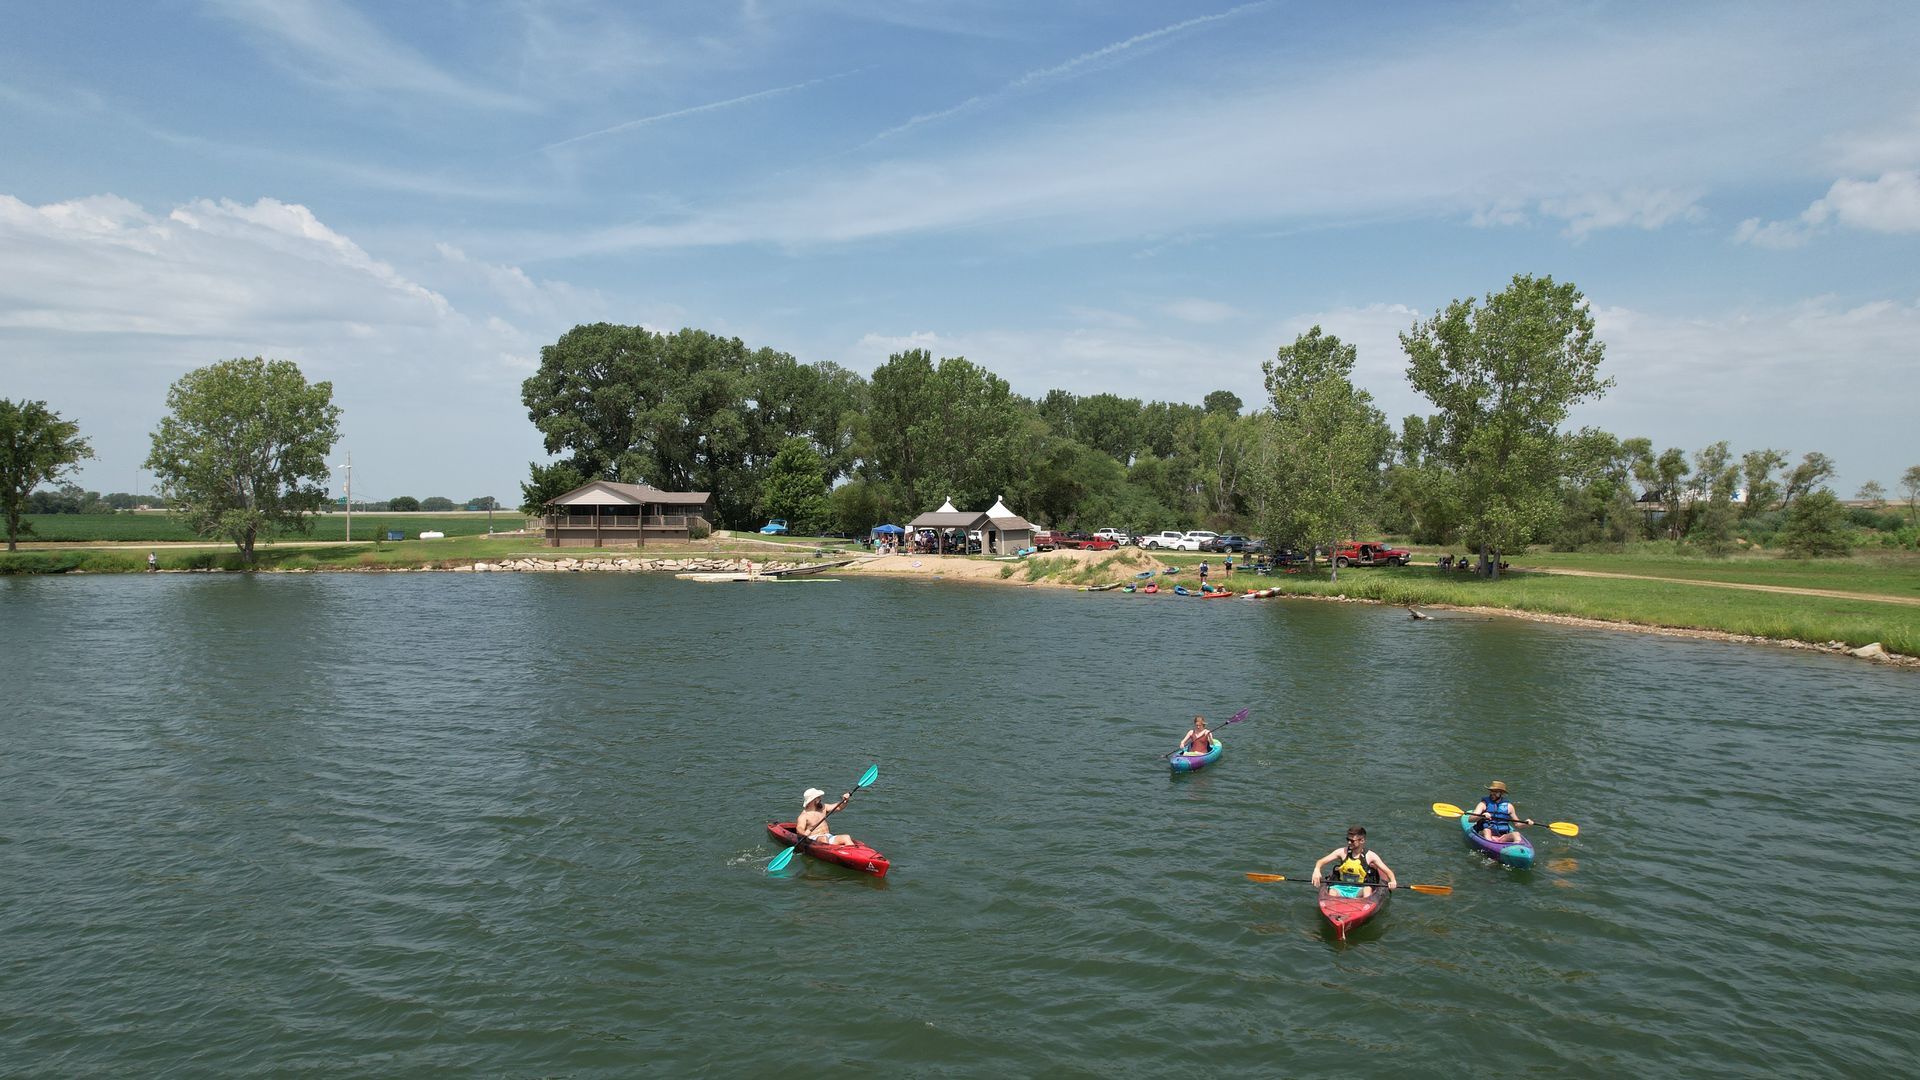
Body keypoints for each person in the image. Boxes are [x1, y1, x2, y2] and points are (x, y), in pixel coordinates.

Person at [1312, 826, 1398, 898]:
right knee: (1332, 891)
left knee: (1367, 889)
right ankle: (1334, 908)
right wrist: (1317, 869)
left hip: (1359, 889)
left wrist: (1393, 881)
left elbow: (1388, 872)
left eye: (1352, 841)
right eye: (1347, 839)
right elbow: (1320, 861)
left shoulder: (1370, 856)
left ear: (1362, 841)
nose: (1349, 842)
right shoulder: (1342, 852)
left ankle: (1362, 907)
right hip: (1341, 887)